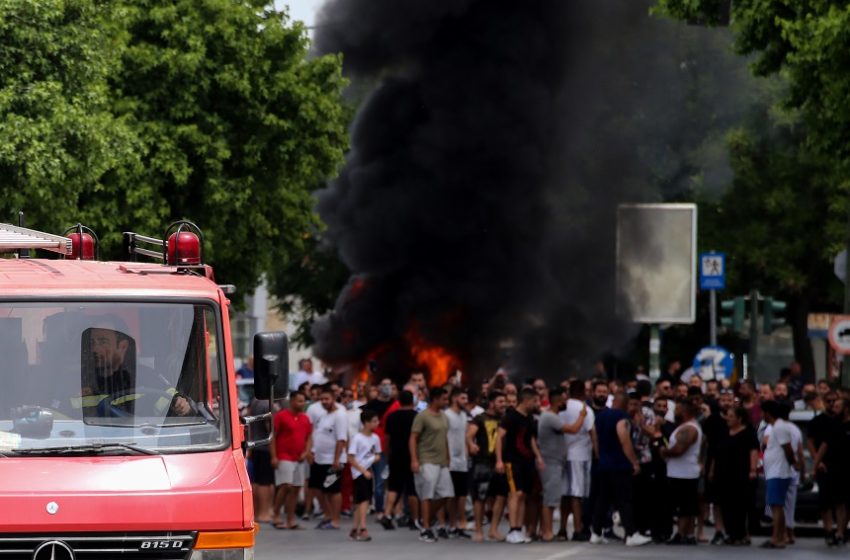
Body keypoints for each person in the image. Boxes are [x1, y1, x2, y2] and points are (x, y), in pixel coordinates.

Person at [591, 392, 651, 547]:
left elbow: (595, 438)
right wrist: (634, 462)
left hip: (604, 464)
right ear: (625, 403)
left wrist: (599, 456)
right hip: (619, 464)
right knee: (625, 500)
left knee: (602, 500)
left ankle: (596, 532)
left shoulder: (601, 416)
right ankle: (631, 534)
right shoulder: (621, 417)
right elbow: (624, 439)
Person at [537, 386, 587, 541]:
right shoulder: (550, 417)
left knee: (551, 498)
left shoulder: (553, 416)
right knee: (549, 499)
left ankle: (544, 530)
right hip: (550, 462)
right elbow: (573, 429)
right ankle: (547, 531)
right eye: (564, 400)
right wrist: (582, 415)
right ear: (558, 401)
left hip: (555, 462)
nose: (566, 403)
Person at [495, 388, 543, 544]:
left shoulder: (529, 418)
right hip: (512, 461)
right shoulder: (511, 417)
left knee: (523, 495)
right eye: (534, 401)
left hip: (526, 461)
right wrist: (499, 460)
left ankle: (519, 528)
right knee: (515, 494)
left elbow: (531, 440)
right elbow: (499, 437)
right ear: (526, 400)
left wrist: (538, 457)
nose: (537, 404)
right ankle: (512, 530)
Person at [410, 387, 453, 543]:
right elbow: (413, 438)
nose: (446, 402)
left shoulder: (444, 417)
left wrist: (448, 456)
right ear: (435, 399)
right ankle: (426, 529)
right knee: (427, 495)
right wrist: (414, 459)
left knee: (446, 494)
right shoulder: (422, 416)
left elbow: (445, 437)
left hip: (442, 461)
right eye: (444, 399)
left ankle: (426, 518)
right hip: (426, 460)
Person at [712, 407, 759, 546]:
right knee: (726, 505)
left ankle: (742, 534)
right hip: (724, 474)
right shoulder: (724, 432)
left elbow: (753, 451)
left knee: (740, 505)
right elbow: (716, 453)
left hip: (741, 474)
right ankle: (731, 534)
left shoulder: (748, 432)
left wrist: (752, 469)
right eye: (728, 416)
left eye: (731, 416)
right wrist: (712, 470)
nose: (728, 419)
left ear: (739, 418)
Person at [467, 390, 508, 542]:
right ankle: (478, 530)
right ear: (491, 403)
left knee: (501, 496)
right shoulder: (480, 418)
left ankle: (493, 530)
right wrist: (471, 444)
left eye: (504, 402)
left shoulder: (505, 420)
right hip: (483, 462)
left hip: (500, 462)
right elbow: (469, 435)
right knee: (480, 497)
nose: (503, 405)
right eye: (500, 402)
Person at [660, 399, 702, 545]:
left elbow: (678, 450)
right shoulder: (683, 427)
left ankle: (681, 534)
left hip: (684, 474)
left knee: (684, 507)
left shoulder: (689, 429)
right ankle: (688, 534)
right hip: (680, 472)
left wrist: (664, 451)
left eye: (677, 409)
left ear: (684, 411)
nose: (674, 412)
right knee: (688, 506)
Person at [307, 384, 348, 530]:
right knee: (317, 488)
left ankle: (335, 519)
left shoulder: (340, 415)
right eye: (322, 399)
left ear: (334, 398)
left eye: (327, 398)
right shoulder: (324, 416)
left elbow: (341, 439)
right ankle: (328, 514)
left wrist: (336, 460)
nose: (324, 401)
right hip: (320, 459)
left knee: (333, 490)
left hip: (332, 460)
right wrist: (311, 451)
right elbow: (317, 435)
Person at [271, 391, 312, 529]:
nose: (302, 404)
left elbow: (309, 437)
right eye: (300, 401)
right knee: (285, 485)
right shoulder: (281, 416)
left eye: (303, 401)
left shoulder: (305, 418)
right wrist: (273, 456)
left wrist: (306, 452)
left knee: (295, 489)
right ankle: (276, 514)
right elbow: (273, 437)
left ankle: (290, 519)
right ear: (292, 401)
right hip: (284, 456)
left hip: (299, 457)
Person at [560, 381, 596, 541]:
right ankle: (578, 529)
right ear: (583, 393)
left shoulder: (561, 408)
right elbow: (592, 432)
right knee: (576, 494)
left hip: (563, 455)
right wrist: (597, 452)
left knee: (565, 494)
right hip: (580, 456)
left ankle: (562, 529)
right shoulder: (585, 409)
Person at [761, 400, 798, 548]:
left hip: (779, 472)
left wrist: (792, 463)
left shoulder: (779, 427)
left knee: (776, 507)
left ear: (768, 413)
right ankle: (779, 536)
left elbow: (787, 448)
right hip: (774, 472)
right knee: (777, 506)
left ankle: (777, 538)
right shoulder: (776, 427)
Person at [381, 390, 420, 530]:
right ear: (412, 401)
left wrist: (387, 453)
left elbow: (387, 438)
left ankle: (387, 514)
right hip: (411, 456)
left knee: (393, 487)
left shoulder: (392, 417)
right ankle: (414, 519)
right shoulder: (416, 417)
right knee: (412, 489)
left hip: (395, 455)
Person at [814, 396, 850, 546]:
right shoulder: (833, 424)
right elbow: (824, 445)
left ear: (846, 409)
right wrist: (816, 463)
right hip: (832, 468)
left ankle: (841, 531)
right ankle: (835, 531)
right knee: (833, 501)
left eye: (837, 407)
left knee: (845, 502)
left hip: (848, 468)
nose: (834, 409)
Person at [808, 391, 840, 545]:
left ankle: (839, 531)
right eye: (829, 401)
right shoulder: (817, 421)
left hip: (841, 465)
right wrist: (816, 461)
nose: (832, 404)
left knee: (841, 501)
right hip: (824, 465)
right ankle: (828, 530)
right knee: (825, 501)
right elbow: (811, 442)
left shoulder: (842, 420)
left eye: (835, 401)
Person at [348, 409, 382, 542]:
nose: (377, 423)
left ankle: (355, 528)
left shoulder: (375, 438)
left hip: (369, 471)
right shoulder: (357, 438)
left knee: (363, 501)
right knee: (363, 501)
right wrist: (363, 470)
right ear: (365, 423)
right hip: (359, 473)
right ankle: (362, 527)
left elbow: (378, 453)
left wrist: (374, 459)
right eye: (374, 421)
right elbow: (351, 458)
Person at [365, 378, 396, 521]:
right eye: (384, 384)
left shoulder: (396, 405)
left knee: (388, 481)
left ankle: (390, 509)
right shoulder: (371, 406)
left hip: (390, 447)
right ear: (378, 387)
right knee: (377, 481)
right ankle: (378, 509)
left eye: (389, 384)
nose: (387, 387)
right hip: (374, 448)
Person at [444, 387, 471, 538]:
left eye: (466, 399)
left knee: (462, 494)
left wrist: (467, 454)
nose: (465, 402)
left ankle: (462, 524)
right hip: (450, 461)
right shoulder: (446, 416)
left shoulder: (463, 416)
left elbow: (465, 436)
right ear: (454, 398)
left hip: (462, 461)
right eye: (463, 399)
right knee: (451, 495)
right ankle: (452, 524)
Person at [248, 397, 274, 524]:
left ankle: (260, 511)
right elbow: (269, 427)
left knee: (258, 481)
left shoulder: (255, 400)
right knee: (265, 482)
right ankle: (263, 512)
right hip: (265, 446)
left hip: (257, 445)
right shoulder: (266, 403)